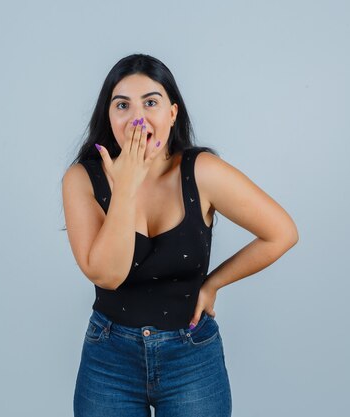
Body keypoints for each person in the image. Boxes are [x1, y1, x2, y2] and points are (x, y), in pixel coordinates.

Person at [61, 53, 299, 417]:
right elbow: (107, 274)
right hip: (109, 358)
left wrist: (213, 283)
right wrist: (125, 187)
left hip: (191, 357)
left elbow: (282, 233)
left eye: (151, 102)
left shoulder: (201, 171)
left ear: (171, 113)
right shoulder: (82, 179)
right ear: (109, 117)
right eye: (122, 105)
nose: (137, 117)